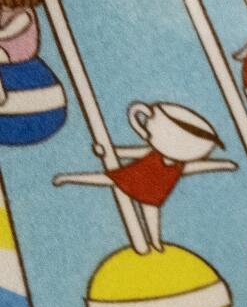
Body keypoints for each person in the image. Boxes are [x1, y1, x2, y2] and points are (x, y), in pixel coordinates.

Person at [52, 101, 236, 252]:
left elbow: (199, 166)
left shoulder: (180, 166)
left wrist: (224, 164)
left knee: (151, 216)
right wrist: (106, 151)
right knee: (104, 179)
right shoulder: (153, 153)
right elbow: (126, 152)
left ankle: (156, 243)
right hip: (134, 177)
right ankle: (67, 178)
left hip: (153, 194)